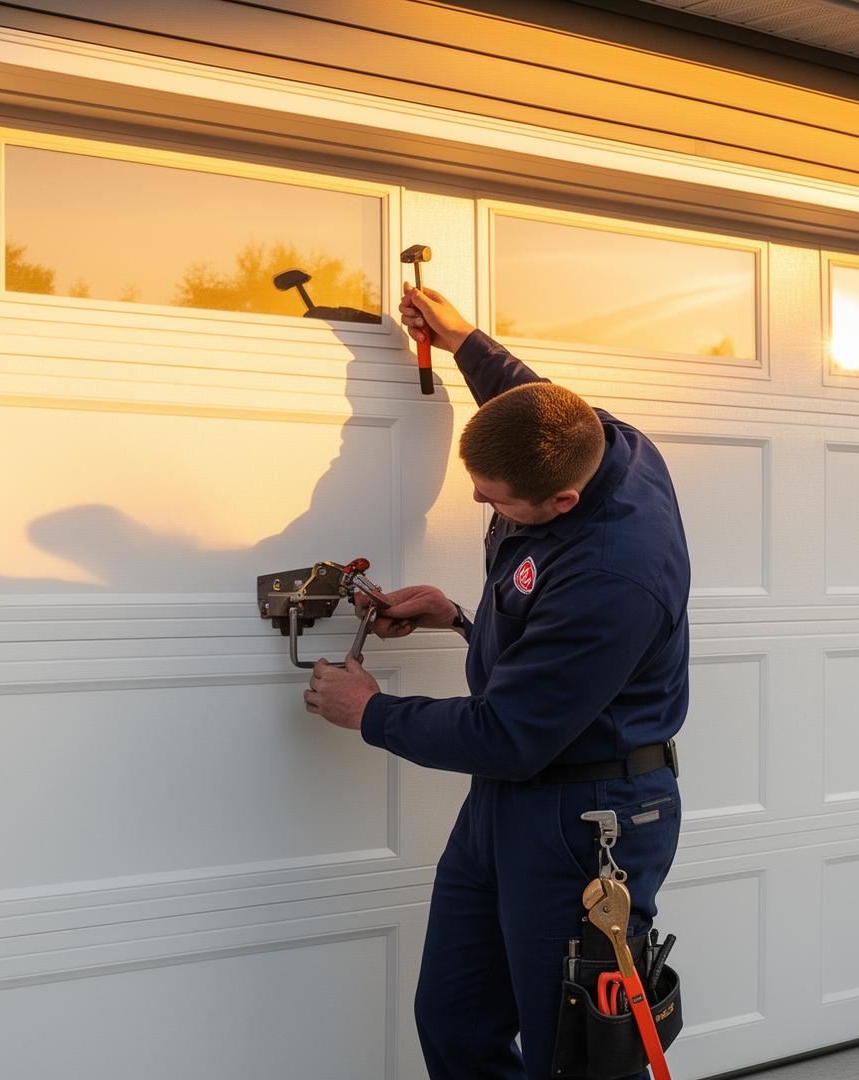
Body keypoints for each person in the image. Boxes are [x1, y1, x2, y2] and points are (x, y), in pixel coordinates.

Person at [303, 281, 691, 1080]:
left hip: (587, 820)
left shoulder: (614, 574)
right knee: (454, 1019)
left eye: (494, 499)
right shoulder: (602, 439)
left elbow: (511, 733)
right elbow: (532, 402)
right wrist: (464, 341)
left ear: (564, 499)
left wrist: (371, 712)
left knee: (571, 1053)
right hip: (511, 801)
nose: (479, 499)